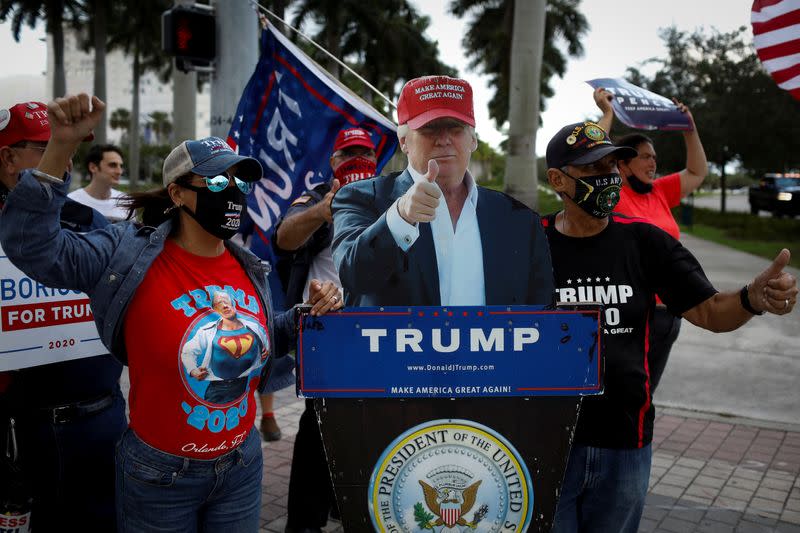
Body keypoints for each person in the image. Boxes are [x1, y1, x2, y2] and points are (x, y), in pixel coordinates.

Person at [0, 93, 343, 532]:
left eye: (241, 184)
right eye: (218, 183)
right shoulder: (126, 253)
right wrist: (61, 147)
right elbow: (34, 246)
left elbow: (261, 340)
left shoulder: (249, 267)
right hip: (159, 477)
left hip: (240, 464)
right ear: (178, 193)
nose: (234, 193)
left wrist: (306, 315)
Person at [541, 121, 797, 533]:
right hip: (549, 442)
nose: (608, 178)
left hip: (624, 441)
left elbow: (712, 311)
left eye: (613, 166)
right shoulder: (531, 244)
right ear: (557, 180)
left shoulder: (645, 243)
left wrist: (752, 297)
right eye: (593, 170)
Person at [0, 100, 125, 532]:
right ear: (7, 156)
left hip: (103, 417)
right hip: (21, 432)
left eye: (70, 147)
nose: (66, 158)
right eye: (49, 145)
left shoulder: (88, 219)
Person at [331, 75, 554, 308]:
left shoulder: (519, 219)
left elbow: (542, 315)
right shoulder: (360, 198)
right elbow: (353, 277)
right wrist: (400, 217)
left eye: (455, 128)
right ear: (404, 141)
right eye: (430, 129)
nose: (444, 140)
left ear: (473, 139)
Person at [277, 125, 378, 533]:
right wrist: (324, 210)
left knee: (368, 419)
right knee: (319, 422)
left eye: (366, 155)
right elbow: (284, 239)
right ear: (333, 162)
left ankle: (345, 504)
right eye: (349, 155)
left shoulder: (390, 193)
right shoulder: (318, 196)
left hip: (376, 329)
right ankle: (304, 521)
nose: (359, 162)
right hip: (326, 329)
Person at [594, 87, 709, 390]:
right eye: (644, 157)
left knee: (646, 392)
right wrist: (607, 114)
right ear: (622, 165)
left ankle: (639, 439)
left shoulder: (659, 191)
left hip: (667, 315)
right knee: (617, 391)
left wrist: (689, 127)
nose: (652, 163)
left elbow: (698, 172)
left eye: (654, 157)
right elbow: (591, 163)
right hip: (630, 313)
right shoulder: (613, 193)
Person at [181, 291, 269, 404]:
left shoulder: (253, 327)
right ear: (214, 310)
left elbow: (264, 344)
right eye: (219, 304)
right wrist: (193, 370)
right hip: (218, 389)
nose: (224, 305)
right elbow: (188, 351)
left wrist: (262, 353)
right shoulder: (207, 331)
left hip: (244, 385)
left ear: (233, 305)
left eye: (226, 301)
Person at [68, 143, 129, 221]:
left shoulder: (126, 201)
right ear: (93, 167)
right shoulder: (72, 201)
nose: (119, 171)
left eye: (121, 166)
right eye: (113, 165)